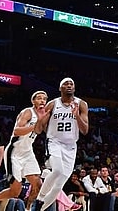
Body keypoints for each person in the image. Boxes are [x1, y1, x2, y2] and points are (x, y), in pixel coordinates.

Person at [0, 91, 49, 211]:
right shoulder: (28, 112)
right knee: (15, 192)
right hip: (14, 152)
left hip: (28, 152)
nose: (42, 100)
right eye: (39, 98)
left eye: (44, 99)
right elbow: (17, 131)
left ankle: (28, 208)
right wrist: (35, 126)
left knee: (38, 184)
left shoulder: (43, 116)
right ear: (33, 101)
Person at [30, 78, 89, 211]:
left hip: (71, 146)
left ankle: (40, 208)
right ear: (60, 88)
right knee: (57, 170)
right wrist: (42, 120)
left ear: (74, 88)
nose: (69, 86)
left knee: (60, 183)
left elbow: (85, 130)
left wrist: (76, 115)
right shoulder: (52, 104)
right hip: (54, 142)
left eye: (71, 84)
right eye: (65, 84)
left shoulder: (81, 104)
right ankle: (40, 198)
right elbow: (39, 128)